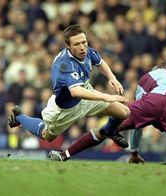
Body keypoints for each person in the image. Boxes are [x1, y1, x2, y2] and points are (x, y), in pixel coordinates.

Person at [50, 62, 166, 166]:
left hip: (152, 101)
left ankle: (64, 154)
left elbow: (137, 124)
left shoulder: (151, 75)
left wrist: (134, 152)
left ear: (161, 69)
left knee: (106, 129)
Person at [8, 24, 130, 154]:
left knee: (124, 112)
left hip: (86, 93)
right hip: (66, 108)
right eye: (77, 44)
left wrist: (112, 77)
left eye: (84, 42)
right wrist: (107, 96)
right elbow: (75, 91)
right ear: (68, 46)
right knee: (47, 136)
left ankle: (109, 131)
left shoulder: (87, 51)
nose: (82, 47)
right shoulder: (64, 64)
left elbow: (100, 62)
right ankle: (19, 117)